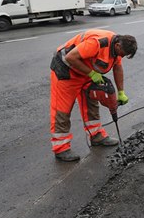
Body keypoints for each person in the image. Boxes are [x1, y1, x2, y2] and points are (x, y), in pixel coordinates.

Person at [49, 29, 138, 162]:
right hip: (66, 70)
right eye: (122, 54)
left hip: (85, 71)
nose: (122, 57)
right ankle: (61, 148)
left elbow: (117, 68)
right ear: (118, 46)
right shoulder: (98, 43)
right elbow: (70, 57)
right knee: (63, 110)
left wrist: (121, 92)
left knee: (91, 103)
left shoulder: (118, 48)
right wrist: (92, 74)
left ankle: (96, 136)